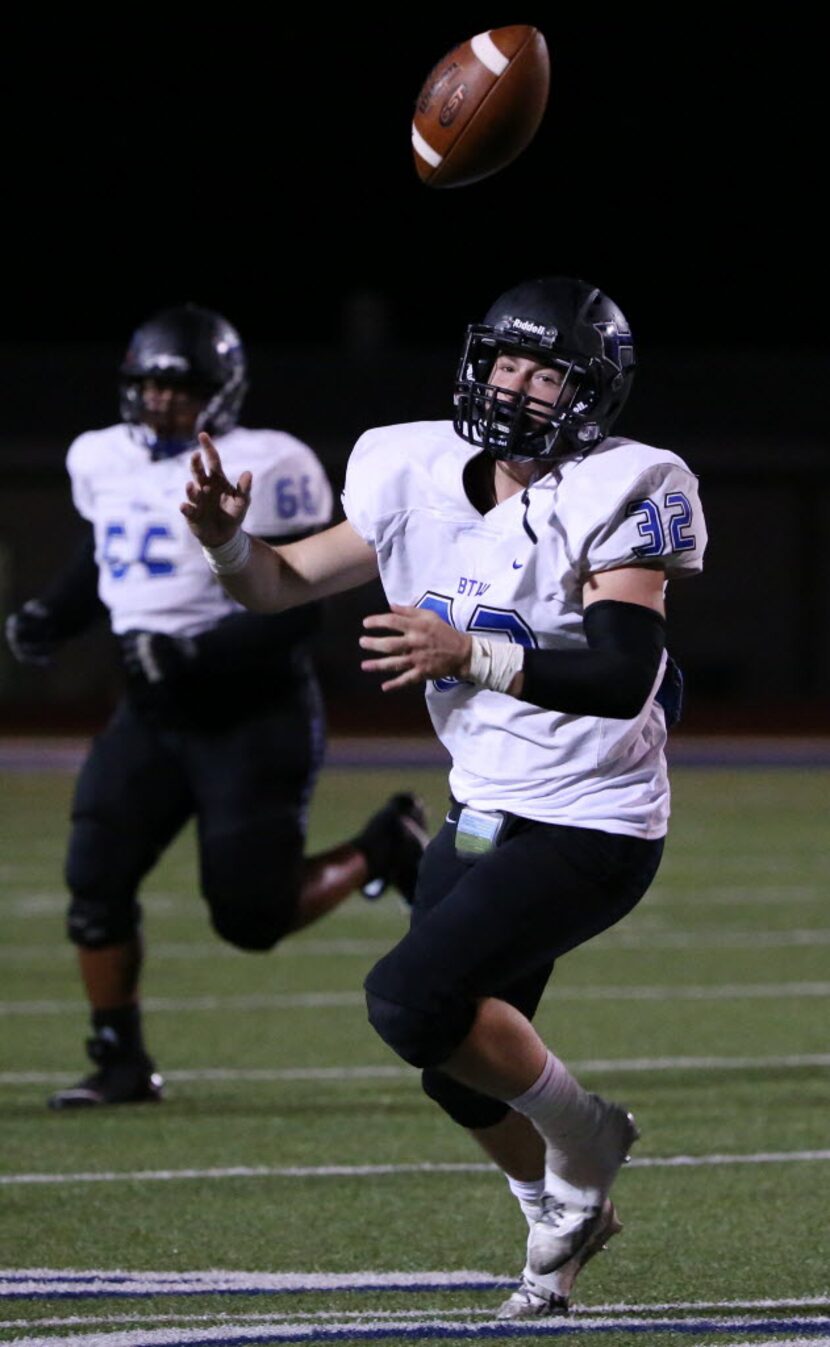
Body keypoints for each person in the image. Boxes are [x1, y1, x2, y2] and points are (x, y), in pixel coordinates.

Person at [180, 278, 706, 1318]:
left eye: (545, 371)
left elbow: (617, 679)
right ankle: (552, 1244)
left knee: (405, 998)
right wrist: (227, 542)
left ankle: (585, 1139)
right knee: (450, 1064)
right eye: (505, 362)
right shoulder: (408, 463)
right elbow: (281, 583)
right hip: (481, 802)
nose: (516, 386)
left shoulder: (629, 483)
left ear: (590, 391)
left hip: (589, 817)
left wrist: (470, 653)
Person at [4, 303, 428, 1111]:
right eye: (151, 384)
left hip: (253, 710)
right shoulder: (98, 456)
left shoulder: (269, 460)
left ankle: (384, 845)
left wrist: (197, 652)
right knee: (94, 878)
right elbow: (108, 554)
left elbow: (299, 609)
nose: (163, 401)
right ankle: (119, 1058)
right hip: (154, 714)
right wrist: (50, 616)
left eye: (183, 386)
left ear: (222, 390)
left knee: (251, 916)